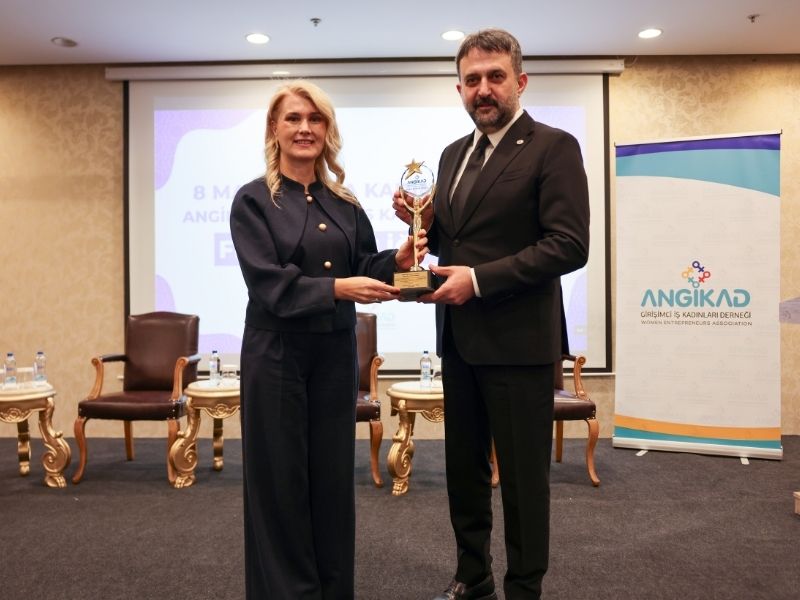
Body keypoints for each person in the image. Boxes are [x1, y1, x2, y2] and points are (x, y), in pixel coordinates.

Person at [392, 29, 590, 600]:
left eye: (495, 77)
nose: (483, 89)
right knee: (464, 472)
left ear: (519, 82)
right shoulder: (452, 155)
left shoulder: (554, 147)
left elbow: (569, 245)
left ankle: (524, 588)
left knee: (524, 483)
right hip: (459, 341)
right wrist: (421, 223)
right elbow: (458, 241)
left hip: (520, 345)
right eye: (472, 80)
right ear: (459, 88)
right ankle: (472, 575)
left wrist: (477, 281)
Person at [231, 80, 426, 599]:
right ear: (274, 129)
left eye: (315, 119)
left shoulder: (345, 203)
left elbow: (365, 266)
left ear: (327, 130)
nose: (305, 128)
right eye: (293, 118)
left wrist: (399, 261)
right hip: (276, 356)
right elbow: (268, 284)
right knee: (280, 484)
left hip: (335, 356)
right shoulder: (252, 200)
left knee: (333, 481)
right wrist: (338, 288)